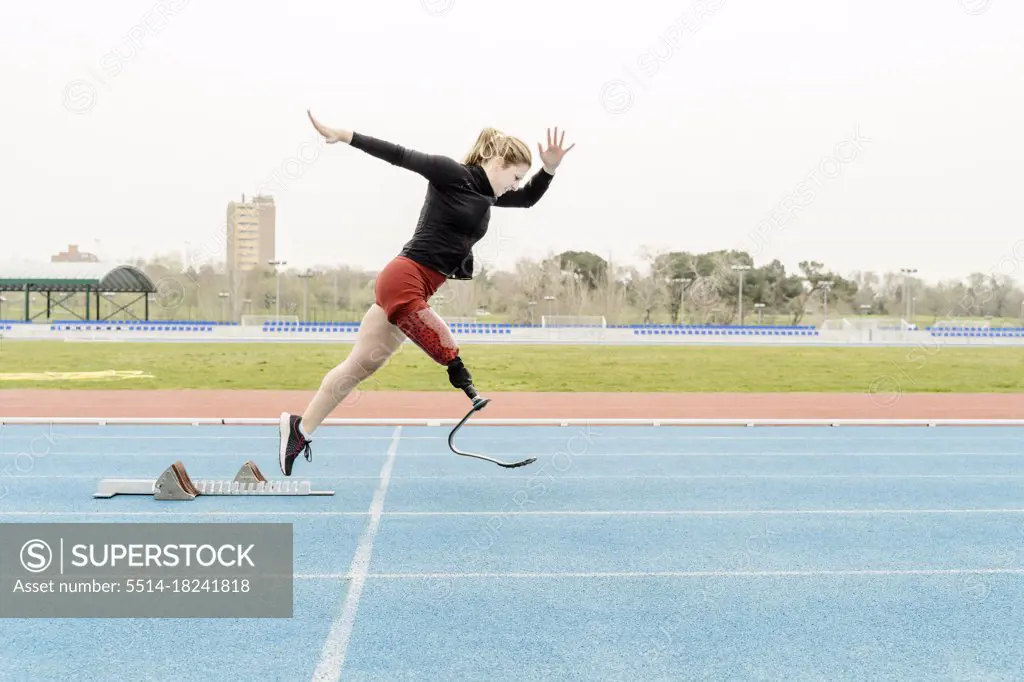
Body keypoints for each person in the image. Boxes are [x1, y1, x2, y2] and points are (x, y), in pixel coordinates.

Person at [278, 110, 575, 476]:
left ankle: (300, 429)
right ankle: (468, 387)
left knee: (360, 366)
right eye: (515, 176)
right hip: (404, 279)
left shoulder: (486, 195)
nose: (516, 185)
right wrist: (345, 134)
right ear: (497, 163)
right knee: (443, 343)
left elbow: (528, 199)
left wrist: (549, 170)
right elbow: (400, 154)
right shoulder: (453, 175)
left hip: (417, 285)